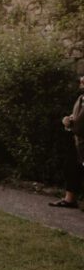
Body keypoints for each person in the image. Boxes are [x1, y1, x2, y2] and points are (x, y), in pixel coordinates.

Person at [52, 75, 84, 208]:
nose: (81, 81)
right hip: (77, 140)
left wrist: (72, 124)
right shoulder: (80, 98)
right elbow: (75, 117)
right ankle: (70, 200)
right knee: (70, 168)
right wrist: (68, 120)